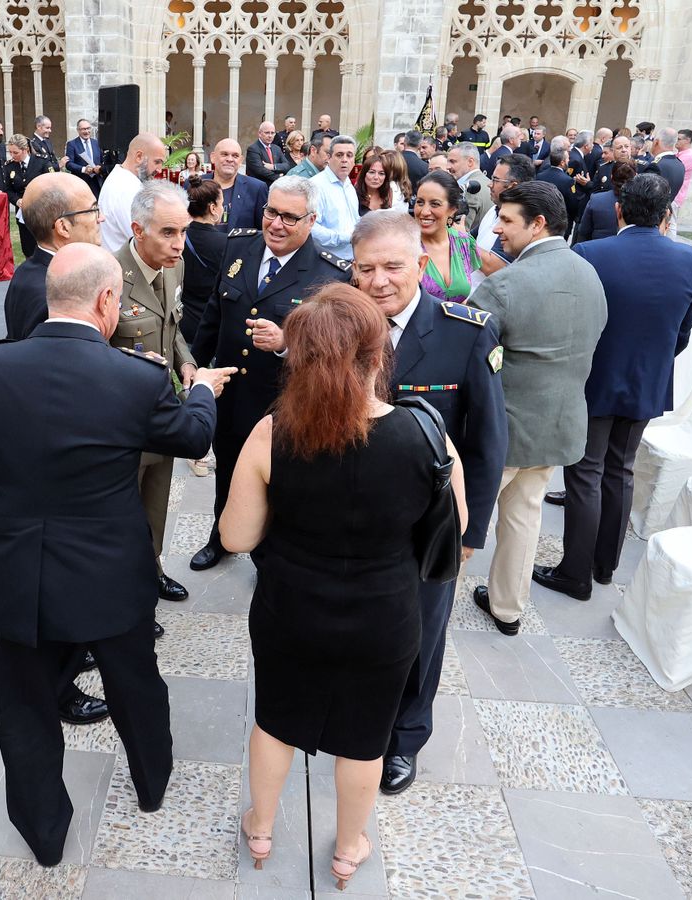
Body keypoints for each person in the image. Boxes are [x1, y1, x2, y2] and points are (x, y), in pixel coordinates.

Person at [0, 243, 234, 867]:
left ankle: (45, 836)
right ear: (108, 301)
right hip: (111, 573)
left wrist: (23, 502)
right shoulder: (135, 377)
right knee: (136, 686)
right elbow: (192, 436)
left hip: (22, 570)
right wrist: (203, 388)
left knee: (23, 707)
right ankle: (152, 786)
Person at [224, 283, 468, 889]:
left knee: (276, 720)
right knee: (365, 738)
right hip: (385, 614)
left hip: (290, 608)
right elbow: (454, 527)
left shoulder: (271, 433)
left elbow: (235, 537)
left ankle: (260, 826)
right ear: (378, 351)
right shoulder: (427, 435)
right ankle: (350, 843)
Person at [345, 210, 504, 797]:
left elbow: (487, 441)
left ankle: (404, 738)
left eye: (392, 266)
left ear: (421, 263)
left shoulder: (465, 331)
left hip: (429, 520)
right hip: (354, 513)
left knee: (420, 632)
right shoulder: (343, 324)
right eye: (366, 268)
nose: (379, 280)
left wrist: (469, 532)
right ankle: (358, 712)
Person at [536, 175, 692, 600]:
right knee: (619, 470)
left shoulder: (591, 252)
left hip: (593, 375)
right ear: (666, 215)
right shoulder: (688, 258)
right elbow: (683, 333)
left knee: (586, 472)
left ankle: (576, 573)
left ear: (620, 210)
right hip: (646, 378)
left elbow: (566, 317)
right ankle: (604, 566)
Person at [188, 176, 352, 570]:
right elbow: (215, 311)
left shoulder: (330, 276)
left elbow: (333, 357)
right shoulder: (238, 245)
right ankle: (222, 536)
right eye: (271, 212)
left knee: (282, 479)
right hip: (232, 392)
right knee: (227, 467)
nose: (276, 224)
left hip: (284, 402)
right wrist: (193, 367)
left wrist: (285, 343)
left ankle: (270, 554)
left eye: (289, 218)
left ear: (311, 221)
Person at [469, 181, 607, 634]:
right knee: (525, 515)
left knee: (462, 520)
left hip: (501, 431)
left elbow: (462, 350)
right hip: (558, 424)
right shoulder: (589, 273)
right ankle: (508, 608)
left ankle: (429, 604)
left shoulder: (507, 283)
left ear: (538, 224)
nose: (497, 232)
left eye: (506, 221)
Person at [111, 181, 200, 604]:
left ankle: (153, 568)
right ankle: (127, 592)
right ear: (138, 229)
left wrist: (186, 360)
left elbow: (172, 324)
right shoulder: (109, 277)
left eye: (183, 231)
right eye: (168, 232)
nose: (180, 244)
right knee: (123, 513)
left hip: (163, 410)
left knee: (156, 502)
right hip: (123, 422)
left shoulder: (174, 266)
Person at [4, 172, 105, 341]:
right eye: (93, 209)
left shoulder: (28, 272)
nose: (101, 217)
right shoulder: (57, 297)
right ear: (63, 227)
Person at [414, 171, 480, 302]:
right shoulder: (403, 246)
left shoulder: (464, 243)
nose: (424, 211)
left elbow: (463, 295)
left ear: (453, 209)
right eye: (420, 202)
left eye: (435, 204)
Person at [97, 133, 167, 251]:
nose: (159, 170)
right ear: (139, 156)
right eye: (157, 162)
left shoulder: (123, 181)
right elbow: (143, 239)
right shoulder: (126, 188)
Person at [181, 179, 228, 342]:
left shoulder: (177, 238)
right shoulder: (226, 244)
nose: (223, 208)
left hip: (182, 324)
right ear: (213, 208)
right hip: (211, 327)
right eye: (222, 203)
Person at [477, 153, 537, 274]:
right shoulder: (494, 209)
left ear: (512, 186)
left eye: (495, 180)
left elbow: (492, 266)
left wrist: (461, 238)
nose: (489, 184)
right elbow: (473, 237)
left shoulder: (520, 222)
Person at [311, 135, 360, 259]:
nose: (344, 160)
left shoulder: (349, 185)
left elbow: (353, 220)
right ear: (329, 157)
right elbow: (311, 228)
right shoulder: (316, 186)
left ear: (354, 160)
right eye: (339, 155)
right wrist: (345, 237)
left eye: (349, 155)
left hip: (353, 258)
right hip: (328, 261)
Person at [5, 134, 54, 257]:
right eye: (10, 152)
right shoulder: (9, 166)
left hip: (42, 210)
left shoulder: (41, 161)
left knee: (46, 246)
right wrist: (17, 201)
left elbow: (51, 183)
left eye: (15, 152)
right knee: (28, 248)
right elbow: (8, 190)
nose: (12, 155)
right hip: (23, 214)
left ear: (25, 149)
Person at [202, 139, 268, 230]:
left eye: (235, 156)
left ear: (240, 160)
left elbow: (262, 231)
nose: (230, 159)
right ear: (213, 157)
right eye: (224, 154)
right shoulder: (195, 184)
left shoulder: (256, 189)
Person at [573, 157, 635, 245]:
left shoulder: (596, 200)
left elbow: (583, 232)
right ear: (636, 176)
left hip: (599, 249)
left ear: (611, 176)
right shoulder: (643, 202)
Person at [447, 143, 492, 233]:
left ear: (470, 162)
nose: (447, 167)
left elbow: (460, 233)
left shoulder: (469, 189)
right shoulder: (488, 182)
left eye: (453, 161)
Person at [64, 118, 103, 194]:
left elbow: (101, 161)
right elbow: (69, 164)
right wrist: (84, 169)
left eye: (88, 128)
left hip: (96, 182)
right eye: (83, 129)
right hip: (80, 182)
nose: (86, 131)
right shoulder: (72, 144)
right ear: (78, 130)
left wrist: (99, 168)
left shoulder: (97, 143)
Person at [247, 121, 291, 185]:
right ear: (259, 133)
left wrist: (273, 167)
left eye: (272, 133)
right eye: (267, 133)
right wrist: (278, 177)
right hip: (259, 188)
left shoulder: (277, 148)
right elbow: (259, 170)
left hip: (275, 188)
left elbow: (287, 166)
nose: (270, 136)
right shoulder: (253, 149)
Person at [672, 129, 692, 222]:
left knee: (670, 223)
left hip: (675, 195)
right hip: (673, 194)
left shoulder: (689, 156)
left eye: (678, 139)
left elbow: (674, 171)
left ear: (687, 140)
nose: (676, 141)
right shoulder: (680, 154)